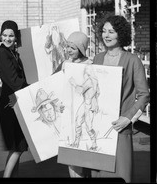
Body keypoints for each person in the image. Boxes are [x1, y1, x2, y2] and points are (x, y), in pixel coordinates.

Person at [90, 15, 149, 182]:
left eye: (111, 32)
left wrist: (128, 118)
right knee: (98, 173)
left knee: (120, 174)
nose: (106, 35)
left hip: (120, 127)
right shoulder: (97, 58)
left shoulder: (132, 60)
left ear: (120, 34)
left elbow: (144, 94)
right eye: (103, 31)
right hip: (98, 126)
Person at [54, 31, 92, 178]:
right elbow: (56, 84)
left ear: (81, 49)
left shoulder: (90, 64)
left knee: (84, 154)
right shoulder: (65, 63)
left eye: (73, 48)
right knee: (70, 156)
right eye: (67, 47)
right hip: (68, 111)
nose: (69, 50)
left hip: (84, 109)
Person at [0, 20, 29, 177]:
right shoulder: (2, 53)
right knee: (17, 146)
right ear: (0, 36)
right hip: (10, 104)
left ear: (16, 38)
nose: (7, 38)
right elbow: (14, 81)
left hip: (15, 101)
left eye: (11, 35)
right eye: (4, 35)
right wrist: (32, 86)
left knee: (18, 146)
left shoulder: (13, 53)